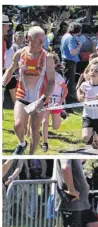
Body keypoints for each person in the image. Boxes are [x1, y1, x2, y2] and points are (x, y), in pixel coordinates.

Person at [2, 26, 55, 155]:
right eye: (38, 40)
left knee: (34, 129)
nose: (41, 43)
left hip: (39, 99)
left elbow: (52, 81)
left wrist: (43, 99)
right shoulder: (20, 54)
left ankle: (31, 155)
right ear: (28, 38)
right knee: (18, 125)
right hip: (22, 96)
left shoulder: (47, 57)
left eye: (43, 40)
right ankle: (22, 143)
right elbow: (10, 70)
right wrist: (2, 84)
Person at [77, 61, 98, 154]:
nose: (93, 72)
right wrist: (80, 96)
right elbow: (79, 91)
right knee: (85, 137)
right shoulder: (85, 85)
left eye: (96, 71)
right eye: (91, 70)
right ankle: (92, 135)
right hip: (88, 114)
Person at [41, 53, 68, 152]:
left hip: (56, 103)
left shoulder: (58, 76)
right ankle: (45, 142)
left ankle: (61, 112)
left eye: (51, 62)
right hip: (46, 102)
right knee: (45, 121)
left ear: (56, 64)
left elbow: (66, 90)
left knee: (56, 127)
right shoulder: (42, 75)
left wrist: (60, 102)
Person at [60, 22, 83, 104]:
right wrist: (79, 46)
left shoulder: (65, 36)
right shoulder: (71, 38)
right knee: (69, 83)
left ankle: (66, 100)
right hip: (69, 62)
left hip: (65, 61)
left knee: (66, 81)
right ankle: (68, 103)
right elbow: (72, 52)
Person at [4, 31, 25, 103]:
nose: (21, 38)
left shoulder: (24, 47)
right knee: (16, 97)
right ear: (15, 38)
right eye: (19, 36)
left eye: (22, 36)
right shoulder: (13, 49)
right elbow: (9, 63)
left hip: (22, 75)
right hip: (14, 75)